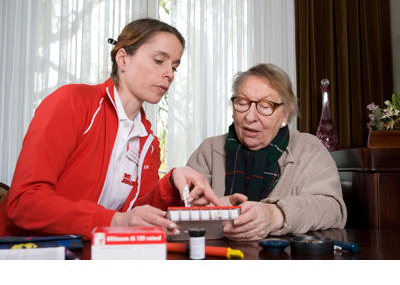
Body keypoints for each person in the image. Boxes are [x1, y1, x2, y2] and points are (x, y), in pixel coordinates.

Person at [0, 18, 221, 240]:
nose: (169, 74)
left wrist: (172, 181)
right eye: (158, 60)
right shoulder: (72, 102)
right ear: (122, 58)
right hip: (27, 251)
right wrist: (115, 221)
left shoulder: (149, 143)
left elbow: (137, 213)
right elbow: (24, 202)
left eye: (174, 67)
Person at [186, 63, 347, 241]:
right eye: (242, 103)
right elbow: (180, 209)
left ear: (285, 114)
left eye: (265, 106)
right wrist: (213, 212)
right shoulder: (209, 150)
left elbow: (333, 209)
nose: (250, 116)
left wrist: (274, 214)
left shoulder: (310, 150)